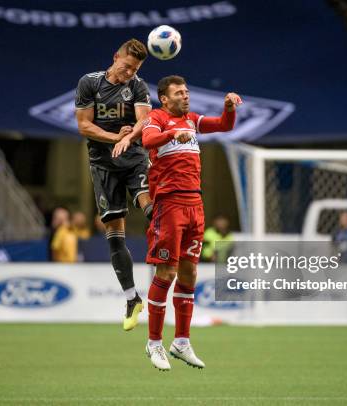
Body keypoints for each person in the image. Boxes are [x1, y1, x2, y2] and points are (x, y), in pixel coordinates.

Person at [140, 75, 241, 370]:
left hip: (195, 204)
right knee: (166, 271)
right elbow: (147, 141)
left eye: (186, 92)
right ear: (164, 98)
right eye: (179, 93)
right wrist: (173, 135)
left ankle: (181, 341)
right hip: (169, 204)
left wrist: (229, 108)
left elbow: (224, 126)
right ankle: (154, 343)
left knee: (189, 272)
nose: (185, 96)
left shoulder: (192, 119)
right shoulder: (156, 118)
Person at [75, 38, 153, 331]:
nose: (130, 73)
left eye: (135, 69)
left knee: (149, 207)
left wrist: (129, 137)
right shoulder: (90, 83)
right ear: (115, 57)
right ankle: (132, 298)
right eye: (127, 66)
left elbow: (144, 121)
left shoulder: (137, 87)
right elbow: (84, 125)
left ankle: (171, 255)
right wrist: (114, 138)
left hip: (133, 160)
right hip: (103, 166)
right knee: (115, 235)